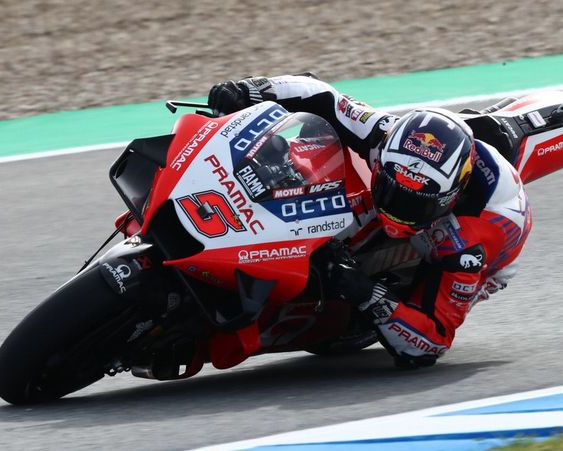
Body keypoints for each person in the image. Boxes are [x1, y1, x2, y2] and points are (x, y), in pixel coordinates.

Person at [208, 74, 532, 369]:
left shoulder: (471, 244)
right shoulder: (384, 134)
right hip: (416, 194)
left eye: (412, 205)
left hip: (471, 249)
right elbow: (323, 96)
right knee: (313, 155)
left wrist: (364, 291)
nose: (396, 211)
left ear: (452, 196)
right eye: (392, 191)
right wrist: (248, 90)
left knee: (387, 298)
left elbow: (429, 343)